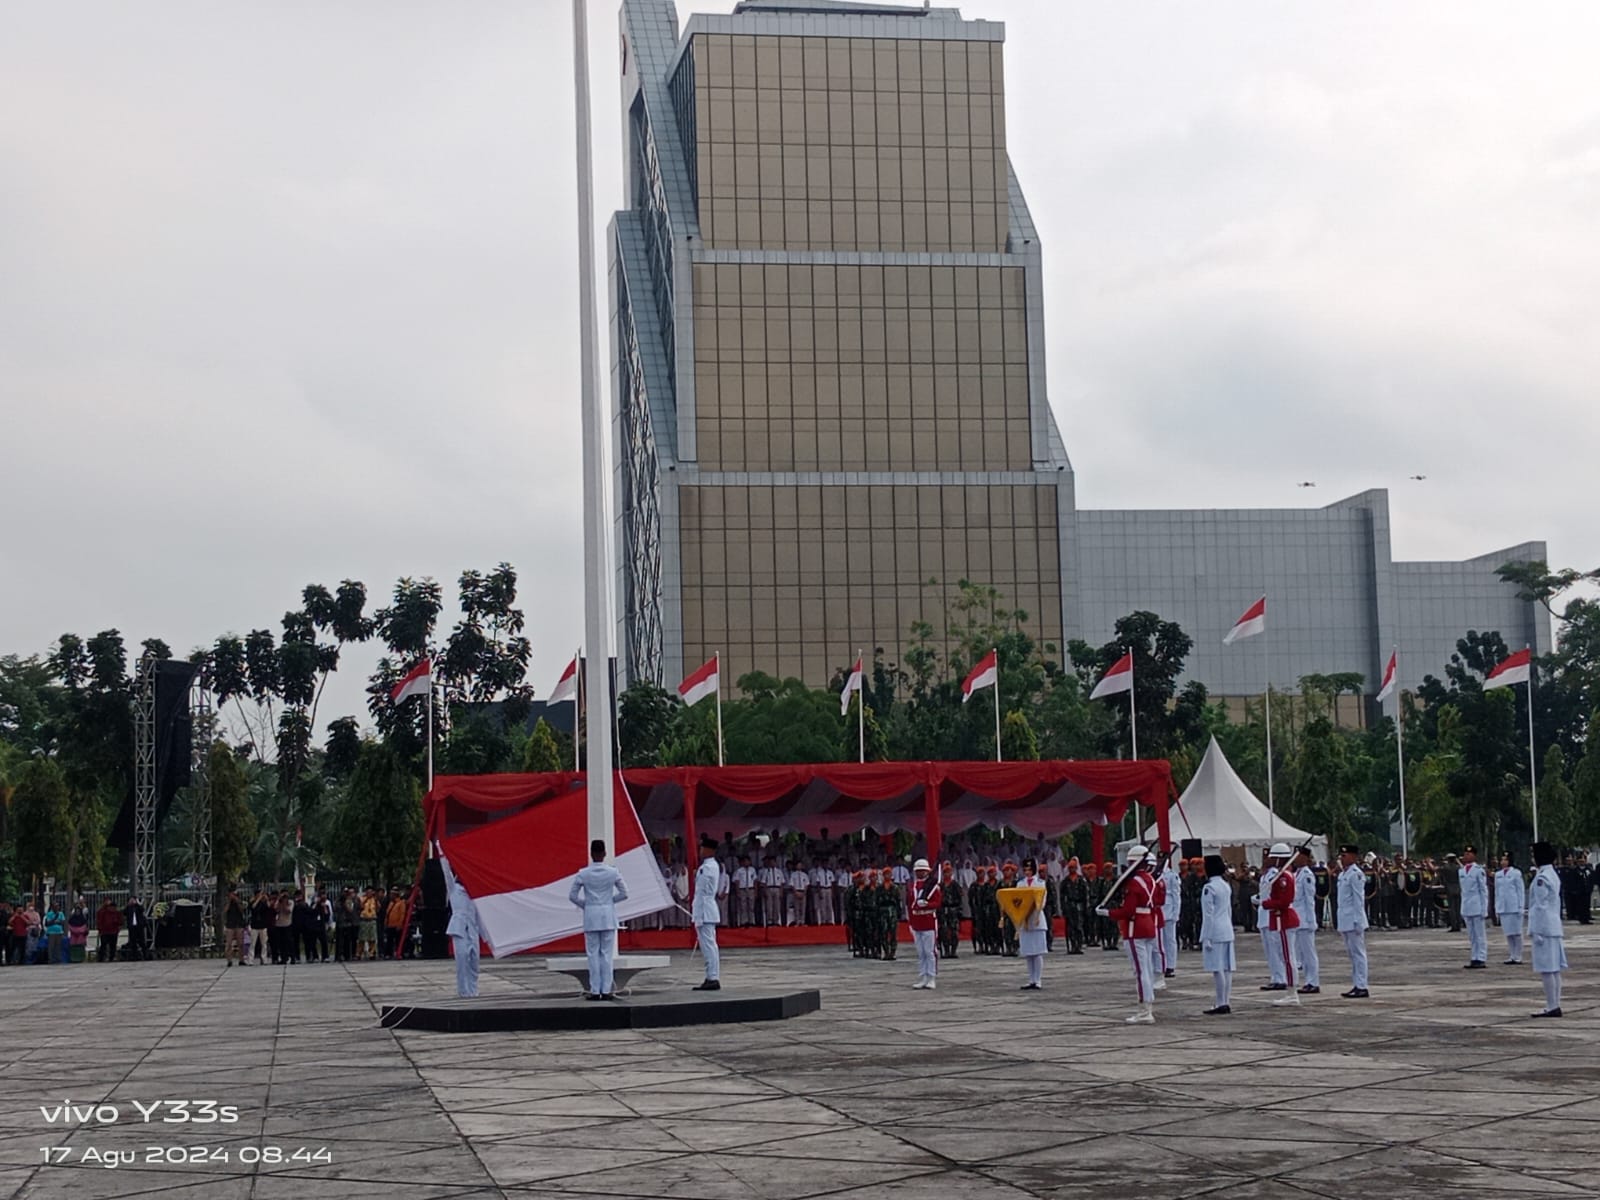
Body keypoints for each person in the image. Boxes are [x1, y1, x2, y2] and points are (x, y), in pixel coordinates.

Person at [1100, 847, 1159, 1024]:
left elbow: (1128, 910)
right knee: (1146, 969)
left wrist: (1107, 913)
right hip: (1148, 925)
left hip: (1135, 928)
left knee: (1140, 971)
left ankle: (1144, 1009)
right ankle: (1148, 1005)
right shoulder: (1150, 880)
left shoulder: (1134, 883)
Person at [569, 839, 629, 1000]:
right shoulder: (613, 872)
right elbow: (625, 893)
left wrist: (587, 905)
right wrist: (609, 902)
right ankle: (607, 989)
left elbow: (572, 896)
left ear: (591, 854)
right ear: (604, 854)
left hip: (591, 915)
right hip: (607, 915)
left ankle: (595, 990)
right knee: (606, 955)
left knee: (593, 954)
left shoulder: (583, 873)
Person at [1528, 841, 1567, 1017]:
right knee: (1554, 969)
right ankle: (1554, 1003)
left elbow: (1540, 906)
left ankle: (1552, 1005)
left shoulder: (1542, 877)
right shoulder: (1552, 873)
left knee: (1547, 969)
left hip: (1545, 927)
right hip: (1553, 925)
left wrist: (1537, 930)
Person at [1260, 843, 1300, 1006]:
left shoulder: (1284, 877)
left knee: (1288, 958)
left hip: (1284, 918)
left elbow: (1284, 901)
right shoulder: (1281, 875)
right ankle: (1291, 992)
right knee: (1285, 956)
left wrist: (1265, 904)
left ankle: (1292, 993)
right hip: (1278, 918)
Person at [1200, 855, 1235, 1014]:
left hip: (1215, 930)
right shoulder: (1225, 885)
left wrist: (1205, 936)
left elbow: (1208, 914)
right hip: (1226, 927)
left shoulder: (1209, 888)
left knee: (1217, 968)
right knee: (1227, 968)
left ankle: (1221, 1002)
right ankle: (1225, 1001)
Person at [1335, 844, 1370, 999]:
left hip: (1354, 919)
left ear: (1354, 857)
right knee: (1352, 954)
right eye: (1341, 856)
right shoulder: (1343, 874)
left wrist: (1358, 920)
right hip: (1345, 919)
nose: (1342, 859)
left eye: (1345, 856)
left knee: (1358, 954)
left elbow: (1358, 899)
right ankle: (1357, 984)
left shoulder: (1356, 874)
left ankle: (1362, 986)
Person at [1254, 850, 1288, 991]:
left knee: (1275, 949)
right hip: (1263, 916)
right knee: (1269, 951)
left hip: (1271, 916)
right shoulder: (1266, 875)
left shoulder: (1275, 875)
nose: (1265, 860)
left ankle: (1281, 978)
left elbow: (1276, 896)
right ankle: (1275, 977)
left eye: (1268, 857)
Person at [692, 837, 722, 991]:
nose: (700, 850)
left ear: (709, 850)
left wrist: (698, 915)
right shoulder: (709, 866)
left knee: (708, 946)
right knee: (710, 945)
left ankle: (712, 977)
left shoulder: (707, 868)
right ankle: (712, 976)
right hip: (706, 908)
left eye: (702, 848)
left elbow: (701, 891)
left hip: (705, 909)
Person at [1016, 856, 1050, 991]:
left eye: (1030, 869)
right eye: (1025, 869)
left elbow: (1042, 901)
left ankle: (1038, 980)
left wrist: (1033, 909)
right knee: (1028, 953)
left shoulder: (1040, 883)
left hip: (1036, 918)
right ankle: (1031, 979)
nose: (1027, 872)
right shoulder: (1020, 884)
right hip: (1024, 920)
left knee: (1037, 952)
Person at [1290, 845, 1320, 995]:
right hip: (1298, 918)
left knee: (1309, 953)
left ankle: (1313, 982)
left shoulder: (1307, 875)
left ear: (1305, 858)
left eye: (1298, 855)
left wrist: (1310, 921)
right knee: (1302, 953)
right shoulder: (1297, 874)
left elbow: (1310, 900)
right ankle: (1308, 981)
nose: (1295, 858)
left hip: (1305, 920)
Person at [908, 858, 941, 989]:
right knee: (920, 952)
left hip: (928, 921)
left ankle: (931, 977)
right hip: (917, 922)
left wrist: (927, 904)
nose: (920, 873)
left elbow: (938, 903)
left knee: (929, 952)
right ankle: (923, 977)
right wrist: (910, 922)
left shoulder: (933, 887)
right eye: (918, 871)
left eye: (922, 871)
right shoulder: (913, 886)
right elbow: (909, 905)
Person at [1459, 845, 1489, 968]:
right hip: (1466, 905)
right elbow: (1463, 891)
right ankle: (1474, 956)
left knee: (1480, 934)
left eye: (1469, 854)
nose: (1467, 856)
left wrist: (1484, 908)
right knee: (1472, 935)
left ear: (1474, 856)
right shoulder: (1461, 871)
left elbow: (1483, 890)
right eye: (1465, 854)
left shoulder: (1478, 870)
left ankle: (1481, 957)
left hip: (1477, 905)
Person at [1496, 851, 1527, 965]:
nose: (1502, 862)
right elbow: (1497, 892)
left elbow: (1520, 891)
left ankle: (1518, 955)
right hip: (1503, 907)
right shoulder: (1498, 874)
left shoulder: (1516, 873)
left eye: (1505, 859)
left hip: (1514, 906)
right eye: (1502, 859)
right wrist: (1497, 907)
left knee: (1517, 933)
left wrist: (1521, 906)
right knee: (1508, 933)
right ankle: (1512, 954)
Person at [1158, 851, 1180, 978]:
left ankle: (1170, 966)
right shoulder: (1155, 873)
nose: (1160, 862)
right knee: (1158, 941)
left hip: (1169, 911)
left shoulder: (1172, 875)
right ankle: (1161, 964)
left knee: (1170, 940)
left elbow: (1176, 896)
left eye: (1162, 859)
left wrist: (1176, 913)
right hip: (1158, 910)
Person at [936, 862, 962, 959]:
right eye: (945, 872)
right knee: (943, 931)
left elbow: (959, 898)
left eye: (948, 872)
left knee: (954, 931)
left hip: (953, 909)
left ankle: (953, 951)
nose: (947, 874)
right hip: (943, 910)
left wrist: (959, 911)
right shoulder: (940, 886)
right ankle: (946, 950)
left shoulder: (955, 885)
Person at [223, 891, 249, 966]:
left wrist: (237, 901)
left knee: (240, 943)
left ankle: (241, 959)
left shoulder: (240, 902)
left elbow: (242, 910)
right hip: (230, 925)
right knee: (229, 944)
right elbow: (225, 910)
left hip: (239, 924)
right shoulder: (228, 902)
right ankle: (229, 960)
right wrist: (229, 901)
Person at [95, 898, 123, 963]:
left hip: (113, 931)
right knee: (103, 945)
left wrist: (118, 927)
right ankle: (101, 958)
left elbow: (120, 921)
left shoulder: (117, 913)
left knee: (112, 945)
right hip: (105, 932)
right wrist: (100, 929)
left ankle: (111, 957)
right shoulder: (103, 911)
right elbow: (100, 920)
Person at [123, 896, 150, 961]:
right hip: (132, 927)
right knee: (133, 942)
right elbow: (124, 913)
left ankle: (145, 955)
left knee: (142, 941)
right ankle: (134, 956)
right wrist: (128, 905)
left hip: (139, 927)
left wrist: (137, 903)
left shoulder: (138, 907)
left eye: (133, 900)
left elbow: (142, 909)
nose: (132, 901)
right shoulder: (129, 908)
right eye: (131, 900)